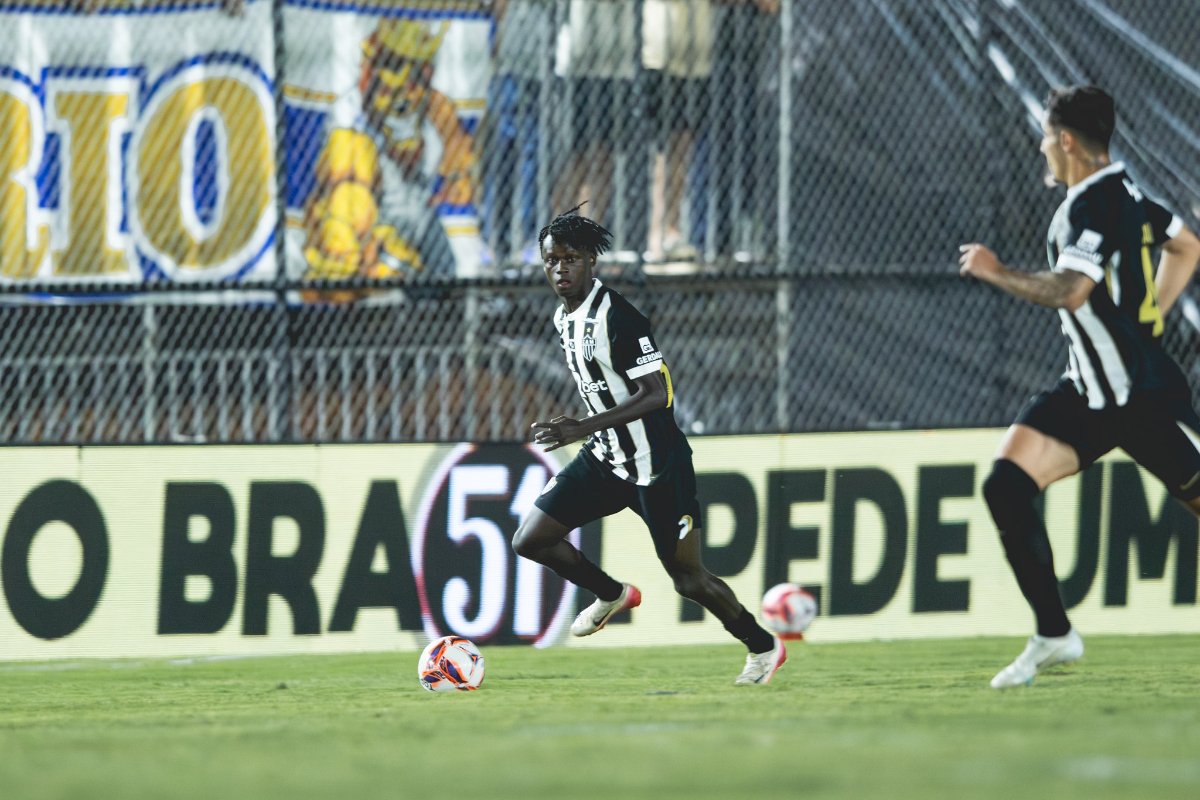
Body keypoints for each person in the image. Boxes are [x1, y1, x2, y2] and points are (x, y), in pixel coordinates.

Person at [959, 85, 1200, 689]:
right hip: (1091, 394)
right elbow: (1187, 244)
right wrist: (1153, 316)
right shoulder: (1130, 194)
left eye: (1045, 138)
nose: (1042, 149)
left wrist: (996, 272)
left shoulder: (1089, 205)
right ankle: (1054, 633)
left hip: (1130, 398)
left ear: (1066, 140)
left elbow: (1070, 290)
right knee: (1006, 485)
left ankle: (1053, 631)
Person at [513, 207, 786, 685]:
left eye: (570, 259)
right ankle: (611, 593)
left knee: (688, 580)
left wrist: (581, 426)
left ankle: (763, 646)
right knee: (531, 539)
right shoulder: (563, 317)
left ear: (591, 261)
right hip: (605, 457)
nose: (560, 269)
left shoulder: (620, 317)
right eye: (552, 260)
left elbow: (658, 395)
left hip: (657, 465)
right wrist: (588, 432)